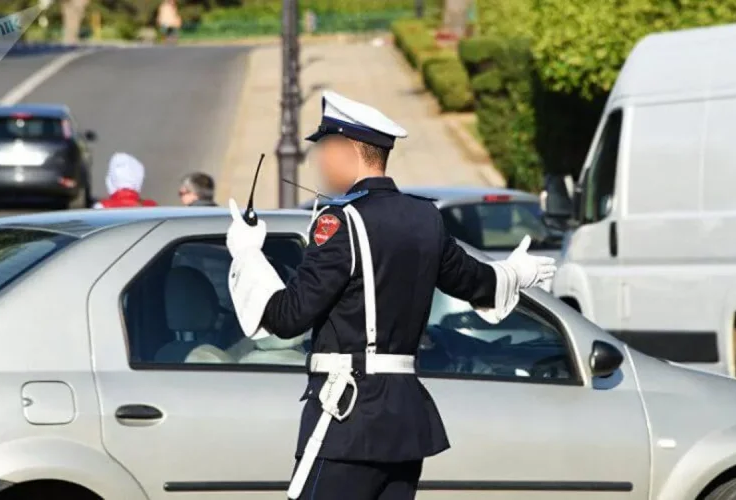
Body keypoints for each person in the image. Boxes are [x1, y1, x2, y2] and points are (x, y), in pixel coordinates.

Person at [225, 91, 556, 500]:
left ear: (347, 150)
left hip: (348, 418)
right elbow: (474, 282)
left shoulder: (341, 221)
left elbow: (288, 316)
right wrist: (514, 273)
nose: (320, 161)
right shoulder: (424, 218)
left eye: (324, 149)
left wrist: (247, 255)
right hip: (403, 422)